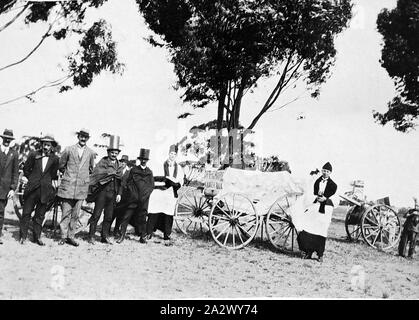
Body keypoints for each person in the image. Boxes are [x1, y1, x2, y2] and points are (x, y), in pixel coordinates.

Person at [57, 128, 95, 247]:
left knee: (75, 214)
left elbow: (91, 169)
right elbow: (61, 165)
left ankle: (71, 237)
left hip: (81, 189)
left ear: (88, 138)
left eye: (86, 137)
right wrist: (69, 176)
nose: (83, 139)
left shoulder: (90, 153)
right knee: (65, 213)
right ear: (78, 137)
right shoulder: (69, 149)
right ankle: (63, 236)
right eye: (81, 136)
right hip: (68, 187)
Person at [19, 135, 59, 245]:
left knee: (39, 215)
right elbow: (26, 169)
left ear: (52, 147)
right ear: (41, 145)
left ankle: (37, 237)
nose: (46, 147)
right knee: (26, 213)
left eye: (48, 145)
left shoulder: (55, 159)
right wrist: (32, 179)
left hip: (45, 190)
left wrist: (47, 183)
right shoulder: (33, 155)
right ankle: (23, 236)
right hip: (32, 189)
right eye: (44, 144)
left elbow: (53, 174)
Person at [86, 135, 123, 245]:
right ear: (108, 152)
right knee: (96, 215)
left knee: (108, 216)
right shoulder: (103, 162)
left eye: (116, 153)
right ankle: (91, 236)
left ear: (118, 154)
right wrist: (107, 174)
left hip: (113, 194)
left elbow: (121, 182)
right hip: (102, 193)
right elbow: (97, 175)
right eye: (112, 152)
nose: (114, 154)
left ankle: (104, 236)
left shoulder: (119, 166)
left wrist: (119, 194)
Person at [297, 162, 337, 262]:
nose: (325, 173)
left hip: (325, 211)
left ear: (330, 173)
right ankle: (308, 252)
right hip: (315, 207)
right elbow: (311, 194)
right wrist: (316, 198)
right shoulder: (316, 182)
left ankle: (320, 254)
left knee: (321, 231)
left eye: (327, 171)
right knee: (308, 228)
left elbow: (336, 200)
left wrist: (326, 199)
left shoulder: (333, 185)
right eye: (324, 171)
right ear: (322, 171)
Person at [116, 148, 154, 244]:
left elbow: (151, 186)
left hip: (144, 200)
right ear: (140, 160)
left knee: (142, 218)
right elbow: (126, 182)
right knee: (126, 216)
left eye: (145, 159)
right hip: (133, 199)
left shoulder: (149, 172)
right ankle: (122, 236)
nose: (143, 161)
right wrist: (132, 193)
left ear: (147, 161)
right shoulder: (133, 170)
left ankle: (142, 237)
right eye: (142, 159)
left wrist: (145, 195)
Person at [0, 129, 19, 244]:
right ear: (2, 139)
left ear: (11, 141)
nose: (7, 141)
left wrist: (12, 188)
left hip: (5, 189)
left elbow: (15, 173)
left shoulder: (14, 154)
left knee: (1, 212)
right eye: (5, 138)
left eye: (9, 139)